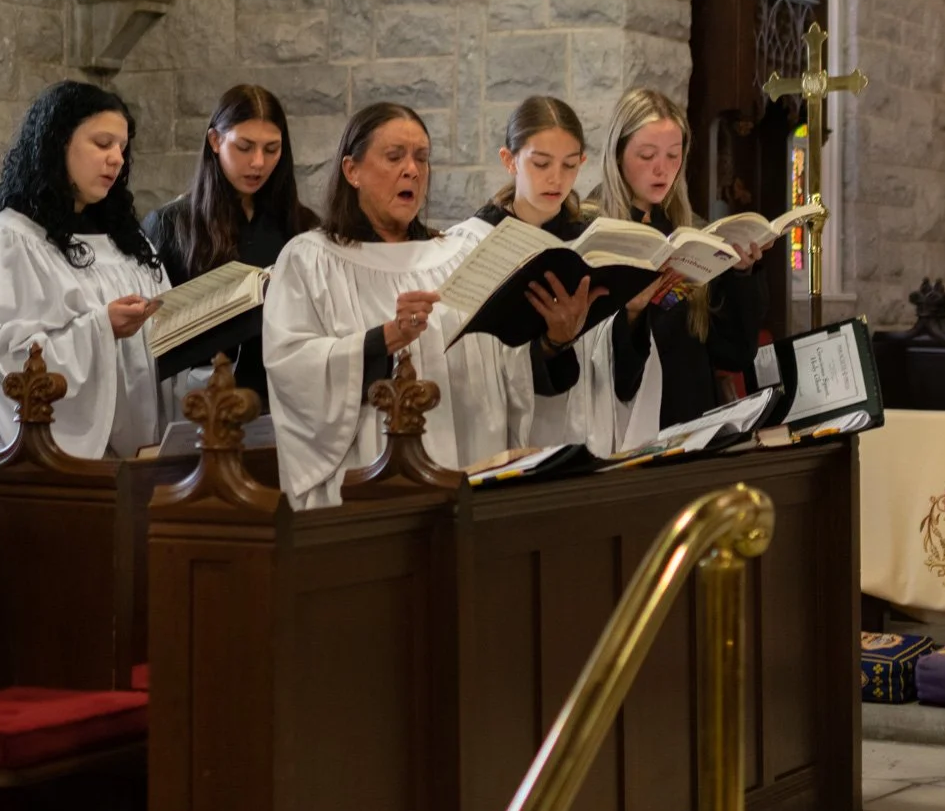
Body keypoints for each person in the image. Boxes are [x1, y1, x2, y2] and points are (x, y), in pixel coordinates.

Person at [263, 102, 595, 509]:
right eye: (394, 157)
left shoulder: (462, 255)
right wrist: (381, 340)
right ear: (352, 171)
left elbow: (505, 369)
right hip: (373, 483)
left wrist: (553, 345)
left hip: (467, 472)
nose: (412, 170)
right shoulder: (309, 259)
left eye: (421, 157)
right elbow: (290, 368)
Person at [0, 81, 170, 459]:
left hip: (138, 459)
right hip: (39, 467)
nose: (116, 159)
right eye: (103, 144)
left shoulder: (129, 243)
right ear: (58, 144)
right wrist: (102, 327)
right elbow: (4, 358)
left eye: (122, 148)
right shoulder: (7, 240)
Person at [447, 96, 643, 456]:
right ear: (509, 161)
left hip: (586, 432)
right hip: (505, 444)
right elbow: (471, 361)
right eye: (541, 164)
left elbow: (612, 362)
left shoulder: (594, 242)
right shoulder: (469, 245)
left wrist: (632, 314)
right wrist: (553, 344)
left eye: (570, 165)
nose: (557, 178)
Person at [588, 88, 770, 432]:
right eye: (647, 155)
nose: (662, 169)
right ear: (617, 155)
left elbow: (732, 352)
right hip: (622, 426)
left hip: (691, 419)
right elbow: (594, 365)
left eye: (673, 156)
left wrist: (741, 275)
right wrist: (632, 314)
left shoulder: (691, 232)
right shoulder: (591, 233)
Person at [142, 85, 319, 404]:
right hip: (205, 402)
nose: (258, 162)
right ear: (215, 141)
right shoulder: (172, 224)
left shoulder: (302, 226)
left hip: (288, 400)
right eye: (244, 147)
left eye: (271, 149)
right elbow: (149, 336)